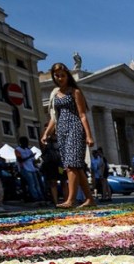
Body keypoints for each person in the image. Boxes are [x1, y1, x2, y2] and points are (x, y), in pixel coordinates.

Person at [40, 62, 95, 208]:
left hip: (75, 128)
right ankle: (89, 199)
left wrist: (89, 136)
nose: (59, 78)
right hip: (62, 131)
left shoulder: (75, 92)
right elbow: (54, 117)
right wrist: (46, 133)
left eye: (62, 75)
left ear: (67, 76)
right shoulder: (55, 95)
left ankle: (70, 199)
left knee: (71, 165)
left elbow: (82, 115)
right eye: (56, 75)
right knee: (76, 167)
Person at [15, 137, 43, 203]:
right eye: (25, 142)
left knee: (37, 184)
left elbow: (33, 161)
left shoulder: (29, 150)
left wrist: (37, 164)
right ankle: (35, 197)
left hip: (32, 169)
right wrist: (29, 157)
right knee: (31, 184)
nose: (27, 144)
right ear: (21, 143)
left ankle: (40, 196)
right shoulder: (17, 150)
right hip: (25, 168)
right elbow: (20, 160)